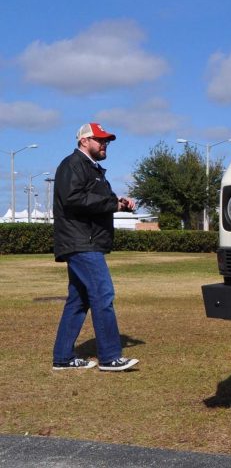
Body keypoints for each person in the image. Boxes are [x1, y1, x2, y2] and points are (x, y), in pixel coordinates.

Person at [51, 123, 139, 371]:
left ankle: (63, 358)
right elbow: (73, 199)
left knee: (78, 301)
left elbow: (92, 198)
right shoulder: (73, 164)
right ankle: (110, 357)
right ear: (83, 141)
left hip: (84, 241)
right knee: (103, 294)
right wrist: (114, 204)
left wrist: (117, 201)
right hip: (81, 242)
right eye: (99, 140)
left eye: (107, 141)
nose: (104, 144)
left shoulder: (92, 168)